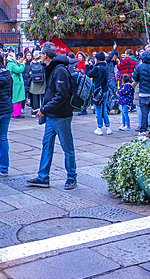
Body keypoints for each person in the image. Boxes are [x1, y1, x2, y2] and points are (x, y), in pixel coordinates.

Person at [27, 43, 77, 190]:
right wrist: (44, 110)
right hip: (51, 115)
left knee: (67, 147)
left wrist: (44, 109)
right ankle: (43, 177)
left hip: (61, 116)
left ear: (46, 55)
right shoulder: (52, 68)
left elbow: (61, 95)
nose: (40, 56)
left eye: (41, 54)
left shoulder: (60, 70)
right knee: (46, 146)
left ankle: (71, 177)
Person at [133, 50, 150, 132]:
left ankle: (143, 130)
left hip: (143, 93)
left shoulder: (139, 67)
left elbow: (135, 77)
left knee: (144, 113)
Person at [89, 52, 113, 135]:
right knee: (105, 110)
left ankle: (99, 128)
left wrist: (87, 66)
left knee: (98, 111)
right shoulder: (106, 67)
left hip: (98, 91)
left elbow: (88, 74)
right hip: (105, 90)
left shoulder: (97, 68)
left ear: (97, 59)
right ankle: (108, 128)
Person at [6, 52, 26, 118]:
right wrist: (23, 64)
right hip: (16, 83)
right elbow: (19, 70)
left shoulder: (10, 64)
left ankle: (17, 113)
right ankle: (16, 113)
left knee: (16, 98)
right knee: (17, 98)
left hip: (15, 82)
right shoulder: (12, 64)